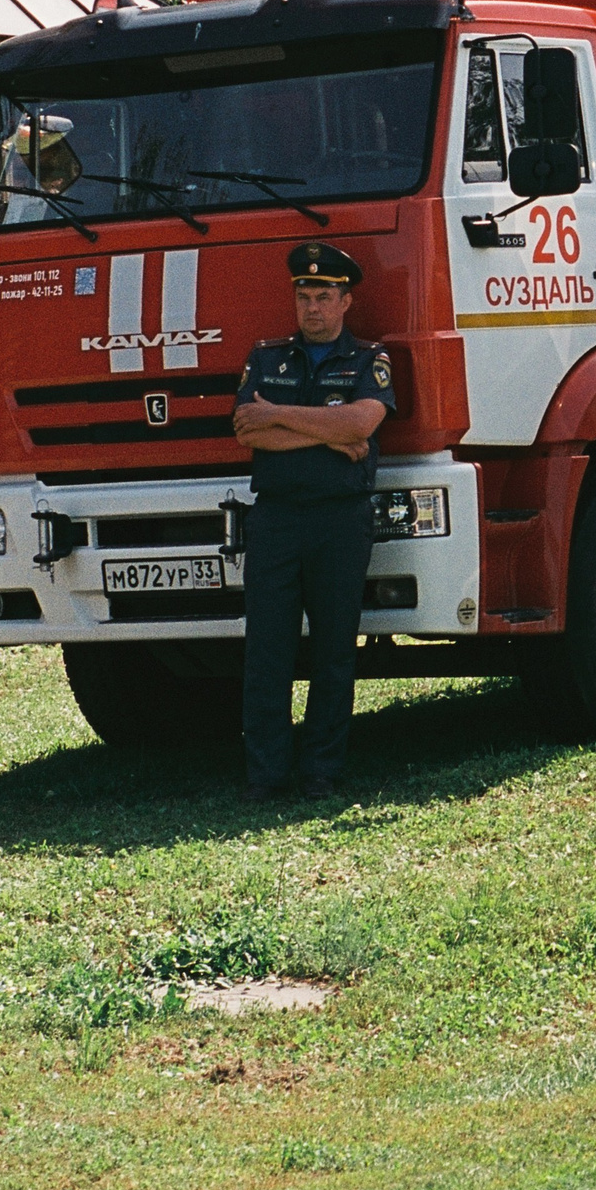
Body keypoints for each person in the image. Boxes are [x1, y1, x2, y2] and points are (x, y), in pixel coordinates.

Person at [232, 241, 394, 802]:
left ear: (346, 302)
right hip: (276, 519)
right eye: (304, 296)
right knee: (267, 651)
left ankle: (322, 771)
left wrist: (279, 417)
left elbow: (362, 423)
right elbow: (247, 430)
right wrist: (329, 433)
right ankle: (266, 776)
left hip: (339, 520)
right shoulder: (266, 358)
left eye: (324, 297)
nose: (312, 308)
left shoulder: (369, 359)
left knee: (333, 651)